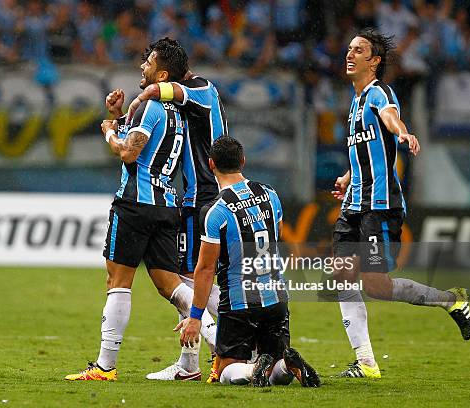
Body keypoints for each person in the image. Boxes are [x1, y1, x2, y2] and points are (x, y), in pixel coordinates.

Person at [65, 38, 216, 382]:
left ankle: (105, 367)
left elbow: (129, 153)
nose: (141, 67)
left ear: (162, 73)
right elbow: (150, 150)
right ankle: (223, 345)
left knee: (118, 281)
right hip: (166, 207)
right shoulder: (178, 113)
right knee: (169, 284)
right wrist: (119, 117)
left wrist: (108, 133)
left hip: (134, 205)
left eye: (147, 63)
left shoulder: (149, 107)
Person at [331, 28, 470, 379]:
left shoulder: (380, 93)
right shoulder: (354, 103)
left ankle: (449, 300)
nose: (350, 54)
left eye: (359, 50)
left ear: (375, 60)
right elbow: (365, 150)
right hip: (354, 205)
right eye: (349, 49)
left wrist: (403, 132)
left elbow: (391, 118)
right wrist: (349, 177)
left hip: (379, 207)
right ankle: (366, 362)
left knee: (376, 285)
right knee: (340, 275)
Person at [120, 42, 229, 383]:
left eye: (149, 61)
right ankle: (193, 363)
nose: (143, 66)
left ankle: (230, 350)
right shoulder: (186, 102)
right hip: (198, 198)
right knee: (194, 279)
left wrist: (141, 99)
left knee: (192, 282)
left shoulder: (203, 90)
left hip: (206, 197)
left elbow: (157, 88)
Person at [178, 136, 321, 388]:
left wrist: (196, 316)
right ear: (243, 161)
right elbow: (277, 238)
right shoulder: (270, 194)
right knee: (276, 367)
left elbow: (205, 268)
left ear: (211, 164)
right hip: (276, 297)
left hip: (239, 302)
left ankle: (256, 366)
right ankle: (287, 366)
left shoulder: (215, 210)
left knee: (225, 371)